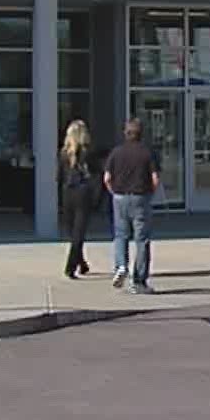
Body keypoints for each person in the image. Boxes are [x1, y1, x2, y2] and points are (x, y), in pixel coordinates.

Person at [103, 118, 160, 294]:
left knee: (120, 235)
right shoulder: (147, 153)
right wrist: (150, 194)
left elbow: (106, 178)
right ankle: (139, 280)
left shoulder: (116, 152)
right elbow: (155, 179)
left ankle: (121, 265)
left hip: (119, 197)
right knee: (141, 239)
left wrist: (114, 192)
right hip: (140, 197)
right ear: (141, 134)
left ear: (125, 133)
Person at [57, 119, 98, 278]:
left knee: (73, 231)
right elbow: (96, 174)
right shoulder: (88, 153)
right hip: (82, 193)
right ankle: (75, 264)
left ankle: (76, 264)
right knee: (77, 233)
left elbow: (59, 176)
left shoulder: (63, 154)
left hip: (68, 193)